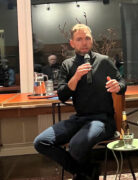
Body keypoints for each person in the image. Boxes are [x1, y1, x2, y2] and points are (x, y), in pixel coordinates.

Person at [34, 24, 126, 180]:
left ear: (91, 41)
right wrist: (75, 77)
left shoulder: (104, 61)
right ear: (72, 43)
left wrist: (118, 86)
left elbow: (122, 83)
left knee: (76, 145)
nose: (84, 42)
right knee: (41, 142)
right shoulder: (67, 65)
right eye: (79, 39)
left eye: (87, 38)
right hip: (79, 119)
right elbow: (62, 96)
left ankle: (83, 174)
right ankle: (87, 171)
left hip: (103, 119)